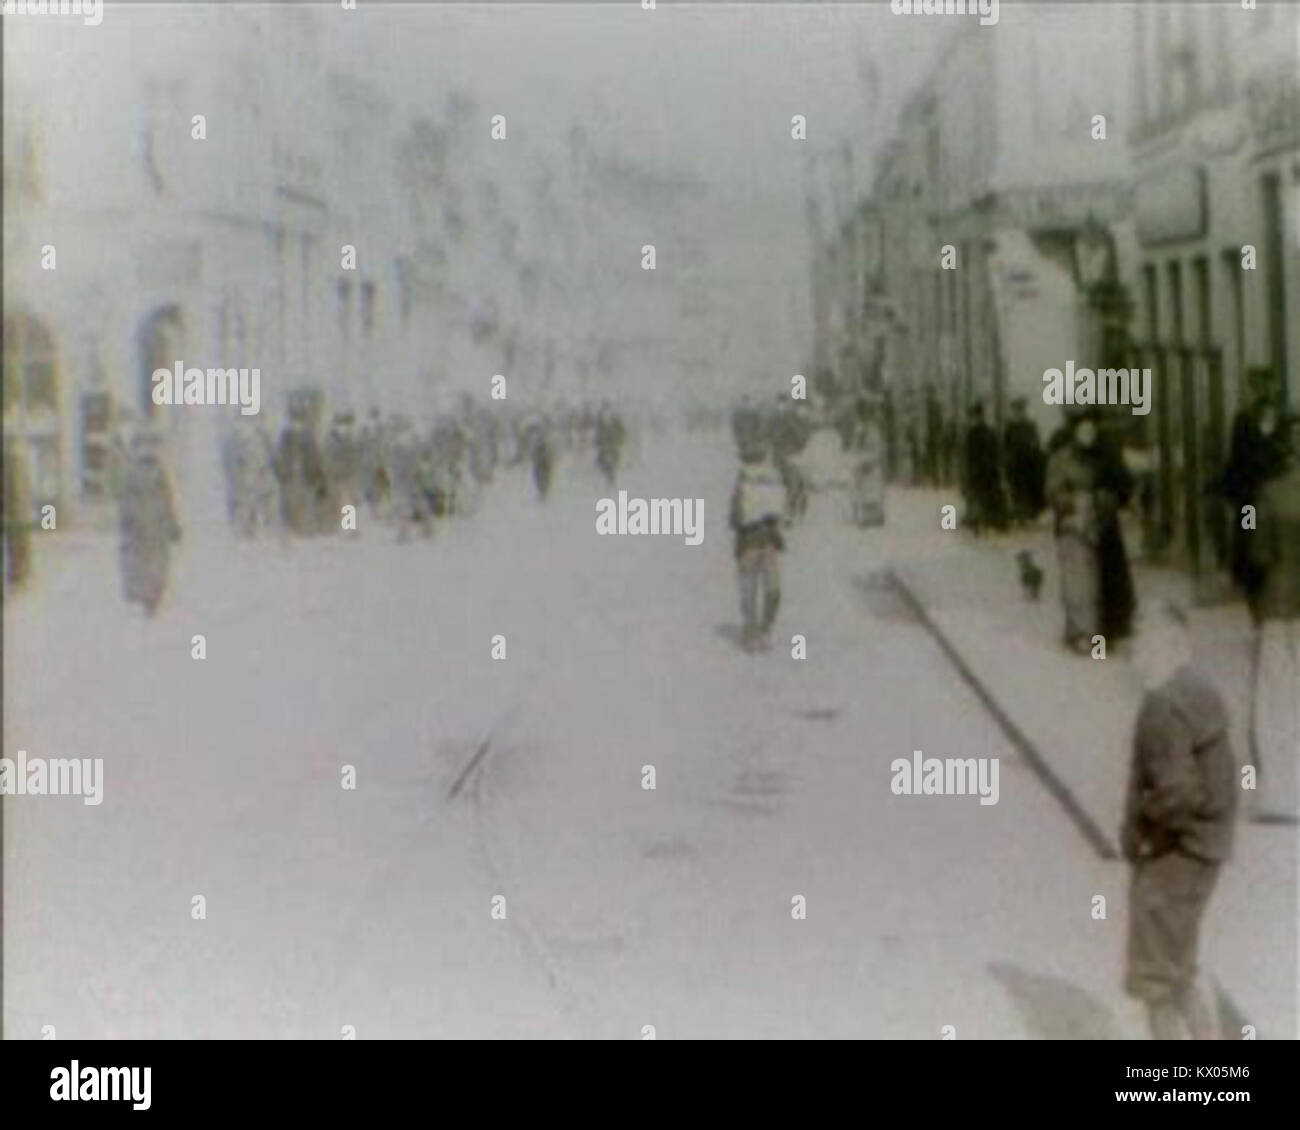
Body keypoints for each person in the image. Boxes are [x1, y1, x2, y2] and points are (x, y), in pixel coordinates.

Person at [1122, 601, 1236, 1040]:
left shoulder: (1162, 708)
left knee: (1157, 981)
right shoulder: (1199, 691)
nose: (1135, 656)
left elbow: (1178, 792)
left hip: (1174, 853)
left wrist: (1144, 831)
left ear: (1173, 648)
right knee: (1178, 966)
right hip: (1205, 848)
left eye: (1143, 646)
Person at [1244, 415, 1300, 822]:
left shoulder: (1270, 492)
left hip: (1279, 602)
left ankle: (1282, 794)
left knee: (1277, 698)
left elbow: (1257, 553)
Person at [1046, 411, 1135, 651]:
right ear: (1074, 432)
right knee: (1077, 583)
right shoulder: (1063, 458)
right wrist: (1072, 503)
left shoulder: (1104, 455)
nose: (1087, 435)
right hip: (1072, 527)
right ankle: (1080, 632)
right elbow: (1054, 490)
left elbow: (1122, 484)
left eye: (1091, 430)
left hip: (1102, 527)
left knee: (1101, 584)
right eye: (1082, 430)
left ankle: (1103, 633)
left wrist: (1109, 499)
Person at [728, 435, 787, 653]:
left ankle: (751, 633)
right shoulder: (774, 477)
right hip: (769, 540)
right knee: (773, 588)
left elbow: (734, 516)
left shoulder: (742, 480)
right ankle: (764, 630)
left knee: (749, 589)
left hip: (749, 541)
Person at [117, 429, 181, 617]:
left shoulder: (131, 470)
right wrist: (172, 522)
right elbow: (167, 498)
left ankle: (146, 594)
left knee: (145, 561)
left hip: (144, 523)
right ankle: (151, 595)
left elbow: (125, 498)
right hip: (153, 523)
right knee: (154, 561)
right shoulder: (158, 470)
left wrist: (126, 518)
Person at [961, 401, 1007, 535]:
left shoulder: (987, 433)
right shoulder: (970, 435)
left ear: (980, 417)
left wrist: (995, 467)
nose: (973, 420)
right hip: (976, 472)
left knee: (988, 496)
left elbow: (996, 452)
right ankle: (977, 519)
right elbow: (967, 455)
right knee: (975, 496)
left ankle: (989, 520)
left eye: (975, 416)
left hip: (988, 472)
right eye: (972, 417)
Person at [1003, 396, 1046, 525]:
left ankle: (1029, 514)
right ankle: (1019, 514)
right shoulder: (1010, 427)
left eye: (1020, 410)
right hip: (1015, 464)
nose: (1019, 413)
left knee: (1028, 488)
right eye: (1016, 410)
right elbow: (1006, 445)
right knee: (1016, 489)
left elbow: (1036, 442)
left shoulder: (1030, 425)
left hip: (1028, 463)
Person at [2, 436, 34, 590]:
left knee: (17, 539)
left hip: (16, 508)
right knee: (17, 540)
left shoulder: (14, 459)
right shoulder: (16, 458)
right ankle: (19, 573)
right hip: (17, 508)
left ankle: (19, 573)